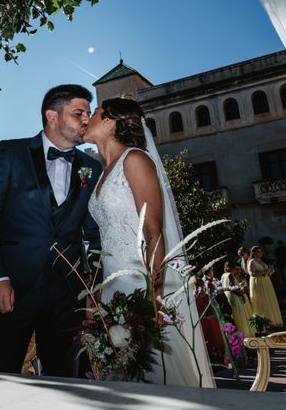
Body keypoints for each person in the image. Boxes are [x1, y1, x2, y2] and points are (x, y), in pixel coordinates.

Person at [83, 97, 215, 387]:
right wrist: (96, 293)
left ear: (110, 121)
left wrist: (153, 295)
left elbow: (154, 231)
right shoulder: (102, 172)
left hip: (141, 284)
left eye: (94, 112)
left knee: (157, 374)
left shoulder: (135, 159)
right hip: (112, 289)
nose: (87, 118)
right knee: (123, 378)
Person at [0, 84, 102, 377]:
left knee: (65, 383)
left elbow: (93, 235)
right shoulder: (11, 153)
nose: (86, 119)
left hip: (66, 297)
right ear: (52, 116)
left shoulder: (91, 168)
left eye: (88, 113)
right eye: (78, 113)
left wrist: (92, 290)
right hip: (12, 290)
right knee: (0, 376)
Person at [248, 245, 283, 326]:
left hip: (266, 282)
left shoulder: (262, 261)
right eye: (258, 252)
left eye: (261, 251)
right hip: (258, 283)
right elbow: (252, 273)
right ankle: (263, 322)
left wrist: (271, 271)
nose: (261, 253)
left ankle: (272, 320)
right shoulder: (252, 261)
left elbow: (266, 273)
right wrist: (265, 271)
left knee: (269, 299)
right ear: (254, 253)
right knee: (262, 300)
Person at [222, 260, 254, 338]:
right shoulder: (230, 275)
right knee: (241, 316)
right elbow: (233, 288)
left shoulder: (223, 275)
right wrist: (241, 295)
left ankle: (239, 335)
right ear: (233, 268)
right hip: (235, 298)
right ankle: (245, 335)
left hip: (228, 297)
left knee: (235, 316)